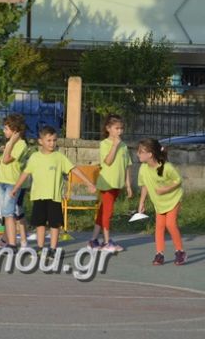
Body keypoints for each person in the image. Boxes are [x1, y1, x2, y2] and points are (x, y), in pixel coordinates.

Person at [11, 125, 96, 257]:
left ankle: (53, 249)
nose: (52, 143)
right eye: (49, 140)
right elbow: (25, 173)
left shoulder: (59, 157)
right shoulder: (34, 157)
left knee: (54, 224)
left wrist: (88, 183)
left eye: (54, 140)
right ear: (41, 141)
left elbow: (74, 169)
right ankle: (40, 248)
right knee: (40, 224)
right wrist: (15, 188)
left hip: (54, 197)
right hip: (38, 196)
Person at [136, 138, 186, 266]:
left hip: (173, 199)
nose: (138, 154)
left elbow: (178, 180)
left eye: (141, 152)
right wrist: (141, 202)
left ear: (150, 154)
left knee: (170, 224)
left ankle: (180, 252)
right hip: (159, 203)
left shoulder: (166, 167)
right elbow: (144, 186)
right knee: (159, 227)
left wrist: (165, 189)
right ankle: (159, 254)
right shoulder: (143, 169)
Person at [88, 114, 133, 252]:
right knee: (108, 212)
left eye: (121, 128)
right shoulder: (104, 144)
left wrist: (128, 185)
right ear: (108, 128)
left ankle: (93, 240)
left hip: (117, 184)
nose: (119, 131)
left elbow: (128, 166)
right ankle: (107, 242)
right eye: (116, 128)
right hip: (107, 183)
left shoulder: (124, 146)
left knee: (103, 211)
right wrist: (114, 146)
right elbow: (108, 161)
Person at [0, 114, 30, 251]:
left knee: (9, 213)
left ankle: (12, 244)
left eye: (6, 129)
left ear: (15, 131)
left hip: (11, 182)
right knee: (6, 213)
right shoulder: (10, 143)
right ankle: (8, 241)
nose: (4, 131)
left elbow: (6, 159)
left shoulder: (21, 144)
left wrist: (11, 143)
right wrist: (8, 145)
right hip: (2, 180)